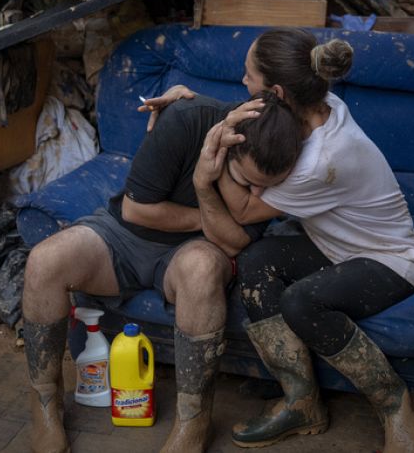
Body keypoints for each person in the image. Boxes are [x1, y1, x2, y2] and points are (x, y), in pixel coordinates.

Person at [139, 29, 414, 452]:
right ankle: (302, 403)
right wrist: (188, 101)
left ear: (276, 91)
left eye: (247, 75)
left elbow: (240, 213)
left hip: (392, 260)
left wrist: (210, 161)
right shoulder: (315, 103)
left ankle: (398, 403)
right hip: (336, 248)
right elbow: (245, 114)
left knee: (301, 301)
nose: (242, 84)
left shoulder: (320, 160)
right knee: (258, 262)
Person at [22, 92, 302, 453]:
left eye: (268, 187)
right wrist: (212, 217)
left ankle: (193, 422)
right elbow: (137, 212)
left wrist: (204, 187)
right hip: (125, 235)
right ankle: (44, 404)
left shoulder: (283, 157)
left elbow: (234, 243)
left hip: (195, 251)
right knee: (45, 262)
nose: (257, 194)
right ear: (227, 146)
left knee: (201, 269)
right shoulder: (186, 120)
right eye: (247, 183)